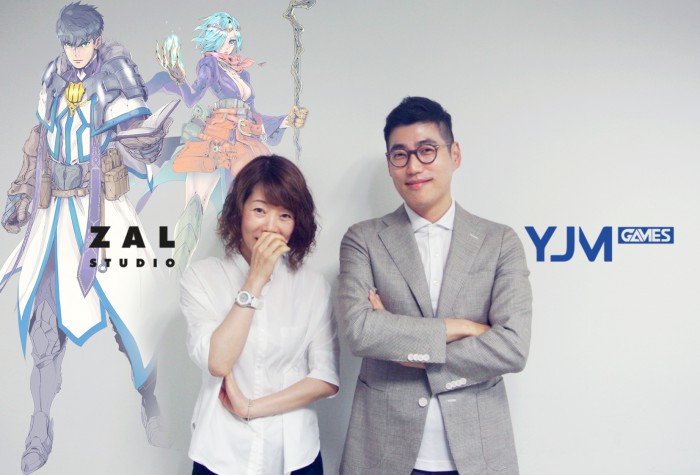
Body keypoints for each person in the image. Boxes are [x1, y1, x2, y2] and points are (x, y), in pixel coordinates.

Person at [0, 3, 173, 473]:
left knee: (133, 314)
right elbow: (38, 141)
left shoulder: (115, 73)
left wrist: (148, 139)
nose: (76, 51)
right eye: (69, 43)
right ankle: (39, 426)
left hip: (101, 213)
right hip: (56, 214)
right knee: (43, 323)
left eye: (83, 42)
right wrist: (20, 191)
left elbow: (138, 134)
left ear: (96, 40)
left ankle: (151, 401)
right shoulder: (52, 77)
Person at [335, 97, 532, 474]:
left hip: (478, 451)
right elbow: (361, 333)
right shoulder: (363, 239)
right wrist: (464, 328)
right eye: (400, 155)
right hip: (383, 449)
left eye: (427, 151)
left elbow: (512, 347)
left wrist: (405, 347)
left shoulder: (499, 241)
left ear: (454, 154)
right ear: (390, 164)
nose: (414, 167)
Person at [180, 155, 339, 475]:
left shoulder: (313, 286)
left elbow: (326, 378)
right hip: (222, 452)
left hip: (294, 452)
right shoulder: (201, 278)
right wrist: (254, 280)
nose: (270, 226)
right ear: (239, 211)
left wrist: (251, 408)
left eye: (285, 214)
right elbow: (217, 362)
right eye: (259, 210)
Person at [146, 11, 308, 273]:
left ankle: (251, 267)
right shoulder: (209, 64)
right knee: (197, 207)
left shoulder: (241, 73)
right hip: (220, 133)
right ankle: (180, 270)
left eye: (233, 38)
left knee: (256, 199)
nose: (229, 43)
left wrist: (285, 121)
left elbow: (253, 113)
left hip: (245, 134)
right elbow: (192, 98)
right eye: (224, 37)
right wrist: (180, 79)